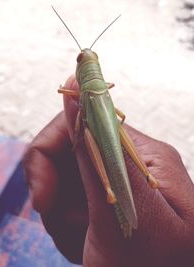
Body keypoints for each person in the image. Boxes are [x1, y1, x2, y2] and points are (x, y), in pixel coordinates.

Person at [24, 76, 194, 267]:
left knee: (83, 135)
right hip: (107, 113)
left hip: (98, 128)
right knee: (103, 129)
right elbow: (121, 117)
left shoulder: (81, 92)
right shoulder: (105, 87)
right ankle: (123, 187)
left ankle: (115, 191)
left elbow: (66, 97)